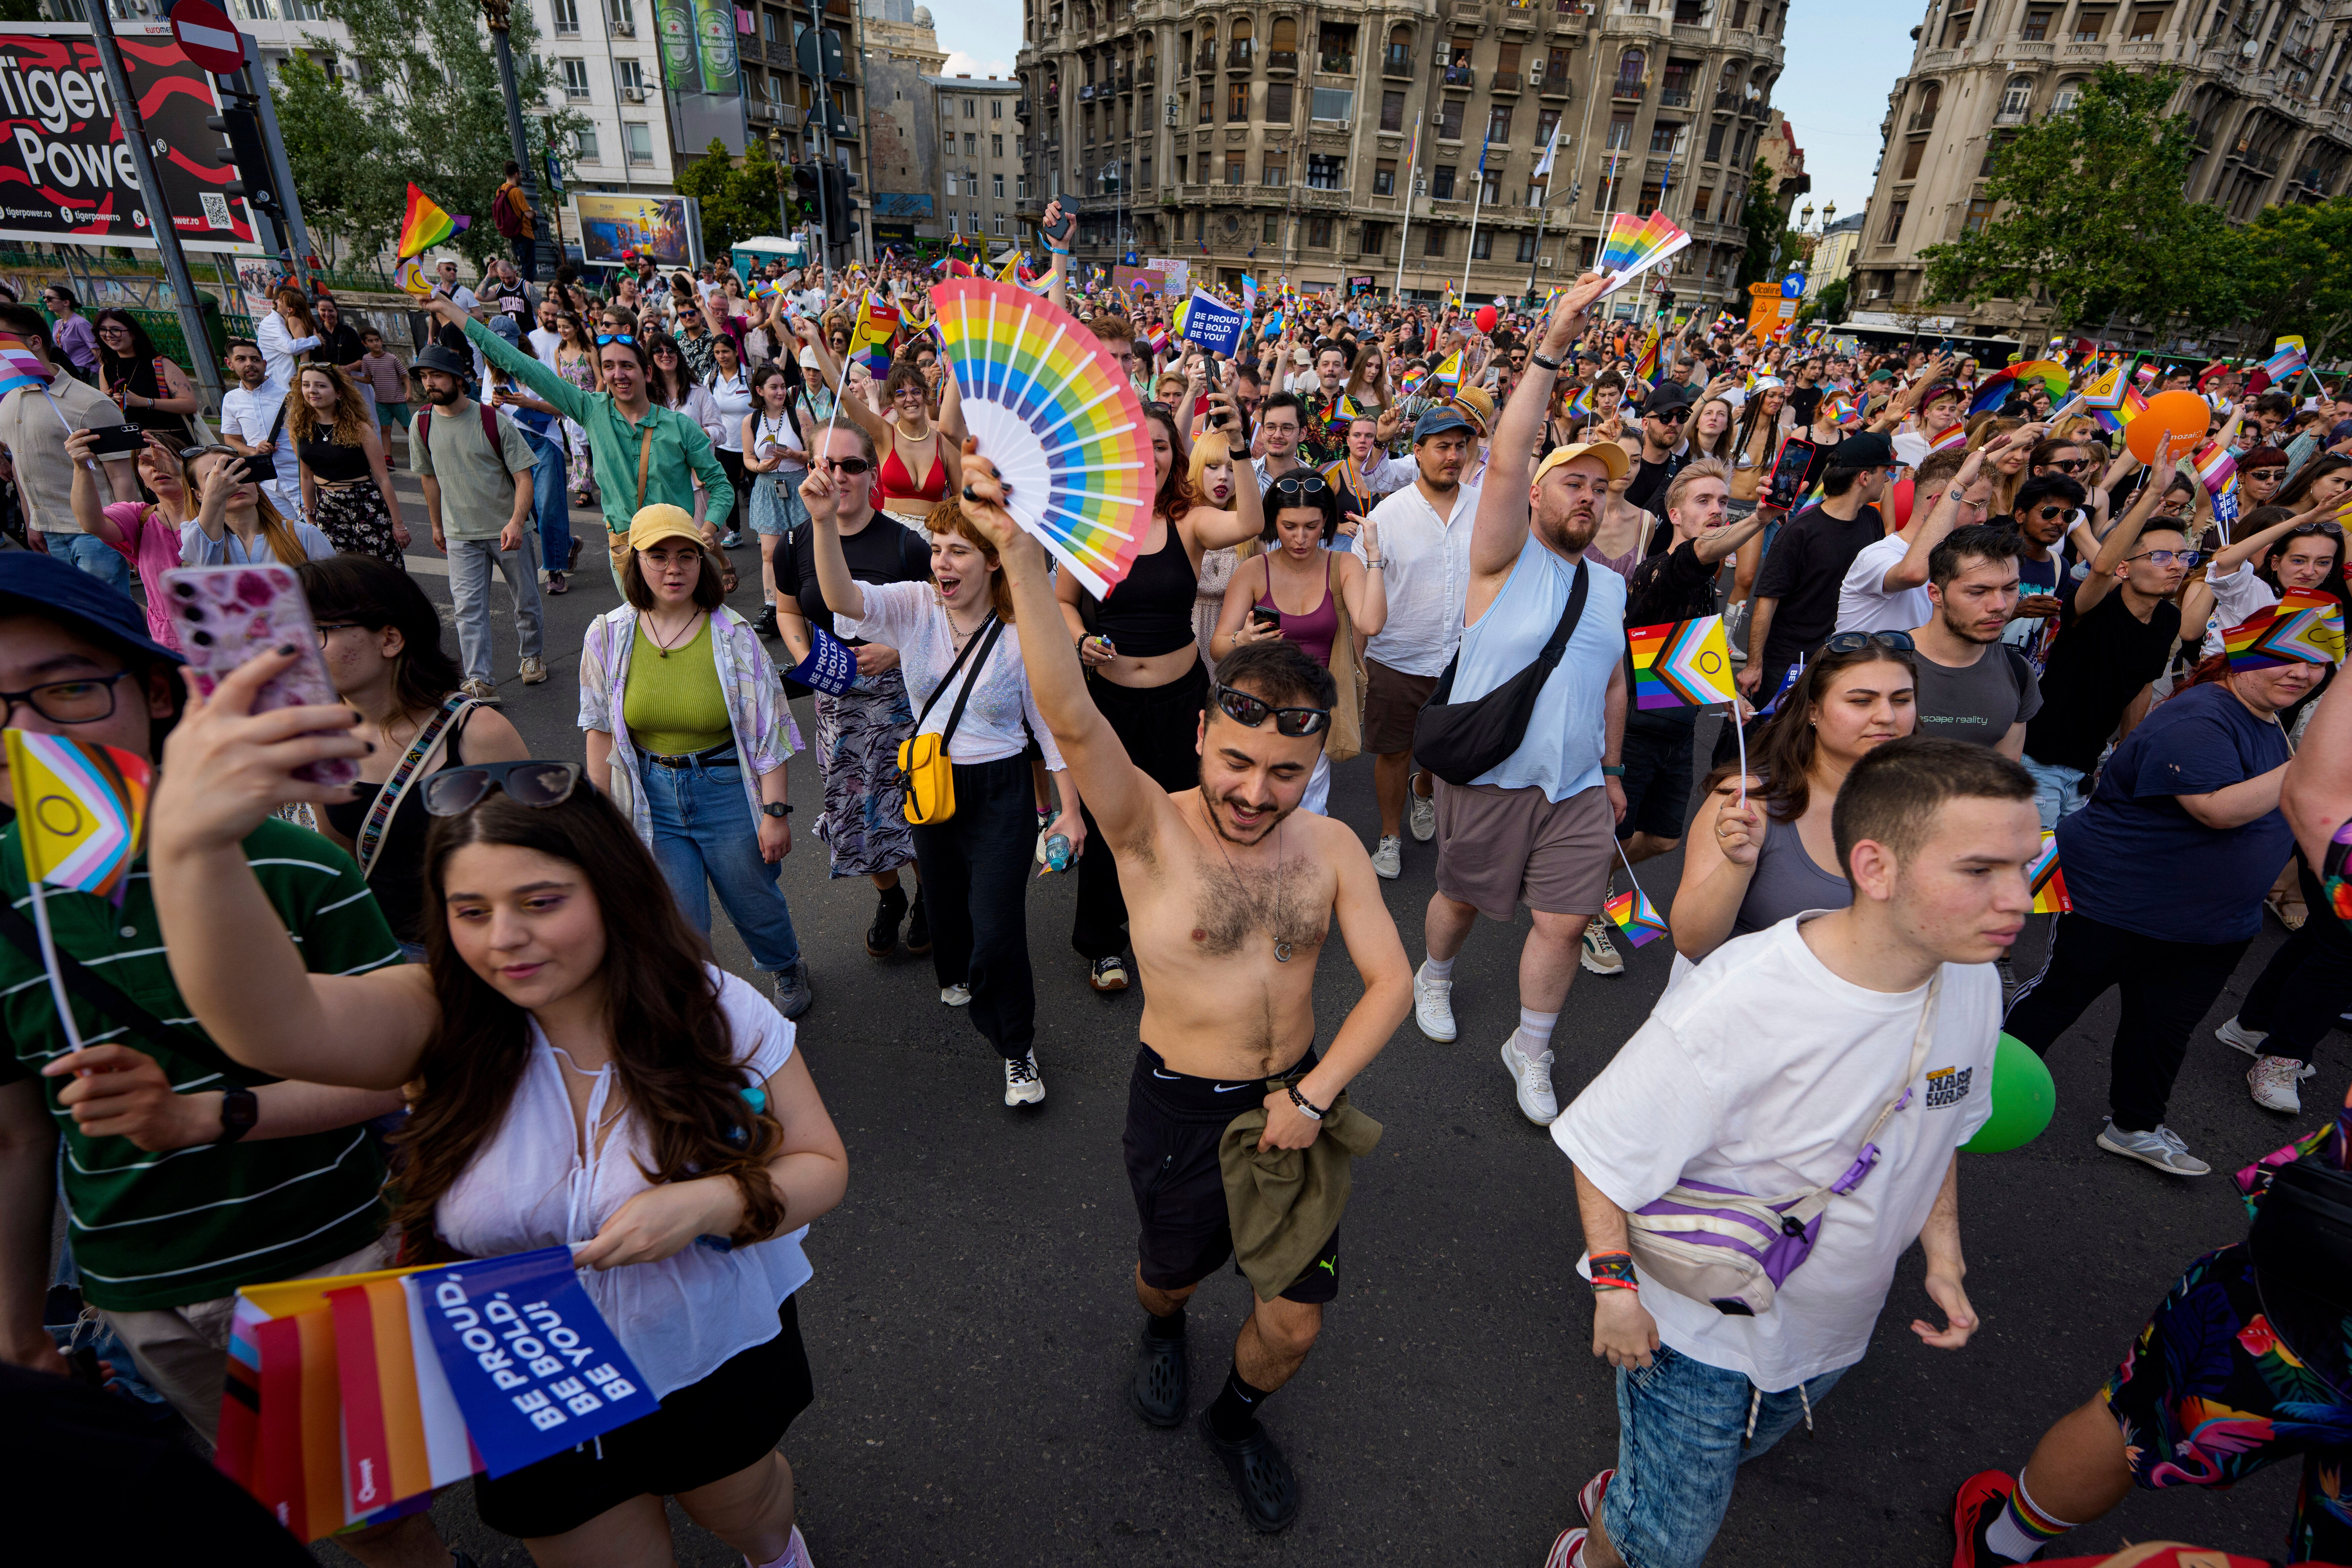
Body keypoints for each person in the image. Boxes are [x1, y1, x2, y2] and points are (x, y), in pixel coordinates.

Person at [145, 657, 844, 1568]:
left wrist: (711, 1204)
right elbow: (273, 1021)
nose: (502, 939)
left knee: (743, 1506)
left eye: (540, 902)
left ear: (611, 890)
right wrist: (194, 847)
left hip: (706, 1344)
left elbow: (821, 1164)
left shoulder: (710, 1008)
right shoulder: (436, 1015)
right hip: (521, 1364)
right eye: (468, 910)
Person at [960, 440, 1411, 1533]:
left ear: (1315, 769)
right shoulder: (1150, 828)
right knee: (1168, 1276)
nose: (1255, 791)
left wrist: (1312, 1098)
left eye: (1284, 773)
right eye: (1237, 759)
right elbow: (1071, 715)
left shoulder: (1334, 847)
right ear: (1204, 733)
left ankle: (1237, 1417)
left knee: (1293, 1324)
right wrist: (1019, 555)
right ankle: (1162, 1326)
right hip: (1177, 1106)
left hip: (1293, 1109)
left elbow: (1391, 981)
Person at [0, 550, 463, 1568]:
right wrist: (23, 1321)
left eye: (67, 687)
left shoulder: (297, 867)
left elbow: (401, 1066)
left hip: (322, 1263)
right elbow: (18, 1134)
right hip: (136, 1291)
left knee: (381, 1523)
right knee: (255, 1515)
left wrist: (207, 1114)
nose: (25, 732)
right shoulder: (5, 901)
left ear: (159, 690)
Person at [1546, 738, 2036, 1568]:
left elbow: (1937, 1125)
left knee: (1711, 1468)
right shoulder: (1743, 999)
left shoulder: (1973, 978)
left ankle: (1632, 1491)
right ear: (1876, 867)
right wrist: (1617, 1291)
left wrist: (1943, 1254)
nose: (2018, 900)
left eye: (2027, 865)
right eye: (1981, 870)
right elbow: (1601, 1148)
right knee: (1664, 1547)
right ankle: (1593, 1548)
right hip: (1698, 1338)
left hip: (1834, 1332)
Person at [1408, 278, 1634, 1125]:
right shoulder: (1501, 557)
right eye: (1572, 482)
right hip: (1492, 774)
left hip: (1575, 787)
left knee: (1567, 923)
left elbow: (1614, 680)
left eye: (1601, 488)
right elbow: (1504, 455)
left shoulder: (1609, 588)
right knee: (1461, 899)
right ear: (1535, 496)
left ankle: (1530, 1047)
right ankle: (1435, 974)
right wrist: (1551, 345)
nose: (1589, 496)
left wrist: (1610, 769)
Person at [811, 489, 1087, 1096]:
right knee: (944, 900)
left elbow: (1050, 725)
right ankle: (954, 970)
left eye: (958, 551)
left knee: (1000, 927)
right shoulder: (914, 606)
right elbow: (841, 597)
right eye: (936, 549)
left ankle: (1018, 1051)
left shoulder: (1023, 630)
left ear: (992, 560)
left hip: (1002, 790)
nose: (942, 563)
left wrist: (1070, 811)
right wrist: (824, 522)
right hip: (930, 782)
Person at [2005, 653, 2323, 1171]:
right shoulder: (2201, 716)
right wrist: (2314, 763)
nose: (2301, 674)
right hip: (2117, 906)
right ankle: (1974, 1093)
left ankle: (2135, 1125)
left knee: (2165, 1027)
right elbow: (2216, 808)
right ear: (2241, 654)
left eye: (2316, 664)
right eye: (2283, 658)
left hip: (2213, 925)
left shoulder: (2268, 720)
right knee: (2057, 998)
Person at [1055, 403, 1265, 992]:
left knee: (1186, 819)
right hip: (1111, 707)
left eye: (1163, 445)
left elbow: (1249, 520)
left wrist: (1242, 445)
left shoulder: (1192, 522)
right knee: (1108, 823)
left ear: (1176, 455)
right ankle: (1103, 945)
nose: (1152, 455)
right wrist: (1081, 639)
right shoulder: (1093, 525)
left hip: (1182, 702)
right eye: (1139, 445)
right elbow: (1064, 599)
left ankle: (1182, 933)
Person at [581, 504, 812, 1019]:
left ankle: (785, 963)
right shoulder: (608, 635)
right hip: (651, 794)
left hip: (726, 787)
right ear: (634, 562)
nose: (673, 568)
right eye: (658, 556)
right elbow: (599, 731)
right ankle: (703, 1003)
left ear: (702, 562)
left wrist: (775, 814)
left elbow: (769, 731)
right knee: (679, 919)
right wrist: (602, 819)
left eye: (686, 556)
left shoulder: (733, 635)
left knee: (755, 903)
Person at [302, 554, 531, 959]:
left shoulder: (477, 732)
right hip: (383, 954)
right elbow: (344, 861)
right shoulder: (322, 741)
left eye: (319, 631)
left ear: (390, 639)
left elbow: (535, 854)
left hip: (480, 955)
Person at [423, 292, 732, 590]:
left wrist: (708, 528)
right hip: (628, 554)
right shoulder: (591, 410)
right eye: (609, 366)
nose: (618, 375)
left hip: (677, 553)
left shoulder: (679, 426)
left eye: (627, 366)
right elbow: (519, 363)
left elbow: (720, 485)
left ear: (647, 373)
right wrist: (451, 311)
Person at [1671, 637, 1919, 980]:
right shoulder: (1749, 800)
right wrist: (1737, 867)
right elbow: (1691, 940)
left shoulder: (1926, 808)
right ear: (1813, 711)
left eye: (1902, 699)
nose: (1887, 716)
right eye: (1861, 700)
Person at [777, 422, 932, 956]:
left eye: (852, 465)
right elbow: (788, 609)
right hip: (836, 705)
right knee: (857, 810)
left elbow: (941, 617)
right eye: (828, 463)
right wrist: (807, 657)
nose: (838, 475)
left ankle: (928, 895)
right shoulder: (796, 542)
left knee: (913, 805)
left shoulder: (906, 544)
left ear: (872, 475)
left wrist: (897, 650)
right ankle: (889, 897)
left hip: (901, 705)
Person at [1610, 460, 1768, 872]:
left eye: (1722, 500)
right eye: (1703, 500)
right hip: (1633, 734)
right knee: (1614, 837)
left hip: (1678, 731)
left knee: (1665, 839)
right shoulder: (1658, 571)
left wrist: (1728, 692)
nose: (1716, 508)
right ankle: (1582, 904)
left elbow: (1694, 647)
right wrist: (1759, 519)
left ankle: (1594, 880)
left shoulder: (1703, 581)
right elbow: (1694, 554)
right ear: (1675, 515)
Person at [1212, 472, 1386, 818]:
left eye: (1312, 526)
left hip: (1316, 708)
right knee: (1259, 799)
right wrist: (1242, 640)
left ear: (1326, 521)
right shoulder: (1253, 570)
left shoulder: (1344, 565)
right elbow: (1218, 646)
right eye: (1289, 526)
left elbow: (1370, 623)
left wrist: (1375, 555)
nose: (1301, 538)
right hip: (1259, 707)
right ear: (1274, 523)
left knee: (1308, 805)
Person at [2018, 479, 2189, 828]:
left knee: (2065, 871)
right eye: (2160, 556)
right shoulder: (2091, 605)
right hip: (2036, 761)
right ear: (2124, 567)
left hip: (2086, 770)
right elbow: (2101, 568)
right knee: (2034, 871)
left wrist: (2127, 751)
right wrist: (2154, 492)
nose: (2176, 565)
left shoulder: (2169, 618)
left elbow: (2143, 684)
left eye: (2184, 556)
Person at [1360, 404, 1480, 881]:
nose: (1453, 455)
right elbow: (1363, 588)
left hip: (1464, 660)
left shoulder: (1486, 509)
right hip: (1397, 657)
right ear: (1418, 451)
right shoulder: (1387, 515)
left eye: (1460, 446)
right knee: (1393, 751)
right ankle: (1390, 834)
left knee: (1447, 755)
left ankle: (1424, 790)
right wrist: (1357, 659)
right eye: (1442, 446)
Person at [409, 342, 546, 697]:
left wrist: (517, 522)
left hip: (506, 530)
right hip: (459, 534)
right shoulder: (421, 423)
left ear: (458, 379)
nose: (429, 383)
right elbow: (428, 476)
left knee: (526, 601)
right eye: (424, 377)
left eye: (436, 375)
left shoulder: (491, 420)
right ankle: (480, 679)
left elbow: (524, 478)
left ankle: (531, 656)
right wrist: (437, 525)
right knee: (468, 609)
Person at [1741, 431, 1898, 706]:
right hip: (1790, 663)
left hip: (1842, 657)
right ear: (1864, 477)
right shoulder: (1799, 531)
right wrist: (1755, 665)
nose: (1888, 478)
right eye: (1885, 471)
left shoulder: (1873, 520)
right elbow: (1767, 602)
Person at [0, 301, 139, 589]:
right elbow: (21, 467)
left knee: (106, 618)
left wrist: (128, 535)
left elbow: (121, 475)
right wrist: (33, 522)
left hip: (96, 533)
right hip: (47, 533)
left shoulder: (91, 403)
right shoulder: (9, 400)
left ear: (35, 342)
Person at [1835, 442, 1999, 634]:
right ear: (1939, 503)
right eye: (1976, 505)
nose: (1983, 518)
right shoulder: (1878, 554)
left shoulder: (1953, 560)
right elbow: (1913, 574)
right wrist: (1958, 484)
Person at [1905, 524, 2041, 757]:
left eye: (2010, 588)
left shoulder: (2018, 672)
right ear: (1936, 594)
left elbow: (2005, 779)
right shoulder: (1883, 662)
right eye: (1978, 592)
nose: (1999, 605)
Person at [65, 431, 192, 649]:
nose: (156, 466)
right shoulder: (140, 518)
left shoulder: (218, 508)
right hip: (174, 647)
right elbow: (91, 522)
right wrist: (82, 467)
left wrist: (184, 477)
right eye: (145, 461)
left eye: (165, 456)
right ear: (140, 478)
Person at [290, 362, 408, 565]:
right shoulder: (299, 429)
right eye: (306, 385)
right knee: (342, 571)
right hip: (327, 507)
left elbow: (383, 478)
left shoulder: (359, 428)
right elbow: (307, 477)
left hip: (365, 503)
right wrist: (311, 521)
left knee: (379, 567)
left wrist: (399, 525)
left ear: (339, 393)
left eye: (321, 386)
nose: (312, 391)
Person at [484, 359, 575, 596]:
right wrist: (494, 405)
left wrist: (530, 404)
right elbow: (486, 413)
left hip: (544, 442)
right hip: (513, 445)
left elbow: (563, 408)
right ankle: (567, 544)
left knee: (548, 509)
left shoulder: (536, 367)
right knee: (530, 513)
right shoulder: (492, 371)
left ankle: (554, 571)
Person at [742, 361, 810, 638]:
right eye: (774, 387)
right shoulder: (752, 421)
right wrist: (760, 467)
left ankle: (807, 601)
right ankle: (772, 606)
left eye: (783, 386)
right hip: (768, 487)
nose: (781, 392)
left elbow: (814, 454)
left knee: (804, 550)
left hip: (798, 485)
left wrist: (793, 455)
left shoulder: (800, 416)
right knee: (769, 553)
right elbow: (748, 457)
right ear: (760, 390)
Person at [180, 444, 334, 565]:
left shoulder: (304, 535)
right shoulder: (194, 538)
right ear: (198, 495)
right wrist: (214, 499)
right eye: (216, 477)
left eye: (239, 472)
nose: (234, 483)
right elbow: (204, 563)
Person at [216, 337, 302, 524]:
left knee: (318, 534)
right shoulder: (231, 400)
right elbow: (230, 440)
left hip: (299, 479)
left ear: (264, 363)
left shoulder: (289, 397)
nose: (249, 364)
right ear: (230, 364)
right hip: (266, 484)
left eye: (255, 359)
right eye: (241, 360)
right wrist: (253, 451)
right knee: (287, 537)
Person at [92, 309, 199, 443]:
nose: (109, 335)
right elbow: (111, 416)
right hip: (133, 444)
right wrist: (108, 402)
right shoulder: (106, 370)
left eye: (115, 330)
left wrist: (145, 402)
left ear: (133, 334)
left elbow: (190, 405)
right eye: (103, 330)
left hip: (170, 442)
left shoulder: (161, 363)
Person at [356, 329, 412, 462]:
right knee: (385, 429)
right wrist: (353, 377)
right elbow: (368, 379)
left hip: (398, 400)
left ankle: (424, 450)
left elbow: (405, 376)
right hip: (381, 402)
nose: (375, 344)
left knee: (408, 428)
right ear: (365, 344)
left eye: (377, 340)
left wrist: (409, 391)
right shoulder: (367, 359)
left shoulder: (391, 358)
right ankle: (388, 457)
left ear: (381, 341)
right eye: (371, 341)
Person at [256, 287, 324, 392]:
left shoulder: (291, 319)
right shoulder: (273, 323)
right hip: (280, 382)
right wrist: (315, 340)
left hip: (288, 381)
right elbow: (290, 347)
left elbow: (303, 353)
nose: (300, 305)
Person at [39, 282, 98, 376]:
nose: (46, 301)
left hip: (88, 373)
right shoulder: (58, 324)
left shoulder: (80, 324)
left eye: (50, 298)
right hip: (71, 371)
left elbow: (97, 350)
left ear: (66, 302)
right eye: (44, 298)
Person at [493, 159, 538, 279]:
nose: (521, 177)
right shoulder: (516, 192)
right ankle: (526, 292)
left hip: (513, 233)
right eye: (521, 174)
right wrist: (534, 212)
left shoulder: (501, 190)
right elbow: (528, 215)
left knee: (521, 265)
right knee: (529, 266)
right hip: (525, 233)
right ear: (517, 174)